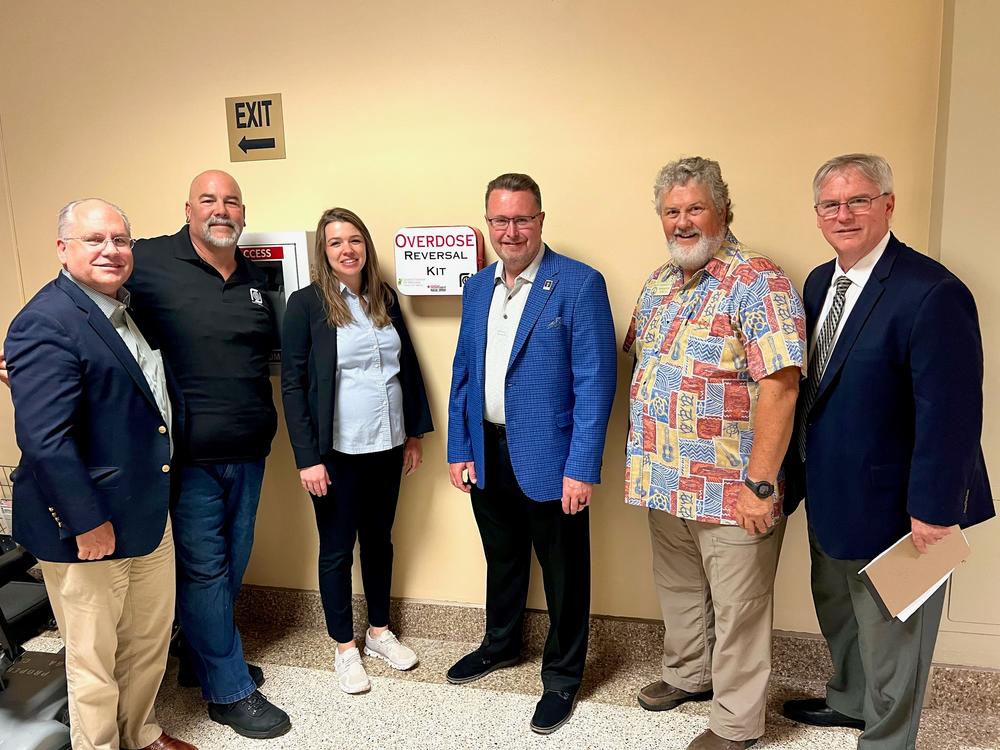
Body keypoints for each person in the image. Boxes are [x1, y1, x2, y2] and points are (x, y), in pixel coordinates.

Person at [781, 153, 994, 749]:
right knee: (841, 611)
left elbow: (951, 413)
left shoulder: (932, 291)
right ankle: (850, 702)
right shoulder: (822, 281)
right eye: (831, 204)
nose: (843, 213)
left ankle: (888, 740)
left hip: (906, 510)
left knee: (896, 633)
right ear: (818, 213)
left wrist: (936, 509)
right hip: (833, 492)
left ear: (889, 205)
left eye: (859, 200)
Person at [623, 157, 806, 750]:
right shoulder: (658, 282)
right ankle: (688, 674)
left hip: (732, 487)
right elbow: (644, 365)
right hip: (663, 480)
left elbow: (780, 385)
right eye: (671, 212)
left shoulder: (760, 280)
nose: (682, 222)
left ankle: (736, 723)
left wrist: (760, 483)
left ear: (724, 209)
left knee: (739, 608)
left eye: (694, 208)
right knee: (678, 591)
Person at [5, 199, 195, 750]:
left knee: (147, 640)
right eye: (95, 239)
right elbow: (45, 440)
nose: (111, 250)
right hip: (90, 528)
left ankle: (140, 734)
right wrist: (86, 522)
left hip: (145, 512)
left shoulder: (122, 311)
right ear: (63, 249)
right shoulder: (46, 320)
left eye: (121, 239)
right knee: (93, 659)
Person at [116, 170, 289, 739]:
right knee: (206, 570)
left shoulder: (256, 278)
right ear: (187, 208)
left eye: (232, 201)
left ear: (243, 213)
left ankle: (203, 657)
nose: (222, 210)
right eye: (209, 200)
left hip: (249, 451)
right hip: (186, 457)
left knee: (232, 564)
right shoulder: (149, 261)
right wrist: (30, 352)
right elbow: (84, 303)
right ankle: (229, 690)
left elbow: (277, 356)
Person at [446, 173, 617, 734]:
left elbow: (596, 381)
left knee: (565, 571)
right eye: (500, 220)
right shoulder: (477, 287)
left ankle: (563, 678)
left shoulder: (578, 284)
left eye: (522, 218)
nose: (511, 230)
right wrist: (460, 446)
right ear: (488, 222)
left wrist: (582, 466)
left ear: (541, 220)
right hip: (488, 450)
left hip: (553, 456)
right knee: (503, 557)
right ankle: (501, 645)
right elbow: (464, 373)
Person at [281, 207, 433, 694]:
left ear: (365, 245)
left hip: (387, 445)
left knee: (380, 541)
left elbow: (405, 367)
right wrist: (307, 458)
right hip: (336, 453)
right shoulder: (307, 305)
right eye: (334, 242)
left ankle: (379, 632)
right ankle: (344, 648)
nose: (346, 249)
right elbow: (292, 385)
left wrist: (414, 432)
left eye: (354, 240)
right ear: (323, 253)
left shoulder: (382, 299)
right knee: (336, 549)